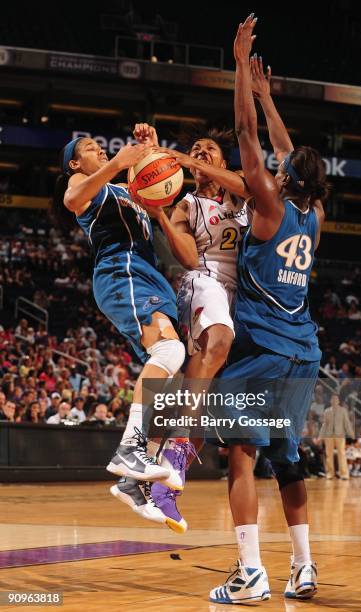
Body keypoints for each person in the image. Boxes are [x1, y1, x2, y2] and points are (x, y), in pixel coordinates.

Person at [209, 15, 329, 604]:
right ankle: (304, 567)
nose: (274, 164)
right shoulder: (313, 213)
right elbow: (286, 150)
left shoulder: (266, 204)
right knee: (287, 459)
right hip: (305, 353)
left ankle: (251, 572)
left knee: (239, 452)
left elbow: (245, 133)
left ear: (283, 178)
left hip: (267, 354)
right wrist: (269, 95)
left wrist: (240, 74)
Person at [54, 134, 186, 531]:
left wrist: (151, 146)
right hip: (121, 272)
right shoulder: (82, 184)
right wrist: (115, 165)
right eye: (90, 148)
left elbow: (157, 180)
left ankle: (132, 481)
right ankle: (129, 450)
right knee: (169, 353)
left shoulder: (126, 187)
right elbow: (72, 201)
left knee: (168, 371)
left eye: (100, 146)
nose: (100, 150)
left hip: (150, 277)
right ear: (75, 164)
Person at [130, 122, 252, 528]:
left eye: (208, 150)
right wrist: (162, 213)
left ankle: (164, 487)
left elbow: (246, 183)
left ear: (222, 161)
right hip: (205, 281)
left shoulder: (238, 192)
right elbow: (186, 257)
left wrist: (183, 156)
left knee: (208, 396)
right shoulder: (188, 203)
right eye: (194, 150)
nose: (200, 153)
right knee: (218, 340)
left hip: (243, 295)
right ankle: (174, 444)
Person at [319, 394, 354, 479]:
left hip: (340, 435)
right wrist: (320, 436)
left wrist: (351, 433)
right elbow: (324, 425)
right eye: (333, 399)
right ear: (331, 401)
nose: (334, 400)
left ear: (338, 401)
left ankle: (344, 474)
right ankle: (330, 473)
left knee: (341, 453)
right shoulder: (327, 411)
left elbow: (347, 423)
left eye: (336, 399)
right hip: (329, 435)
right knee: (329, 454)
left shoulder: (343, 411)